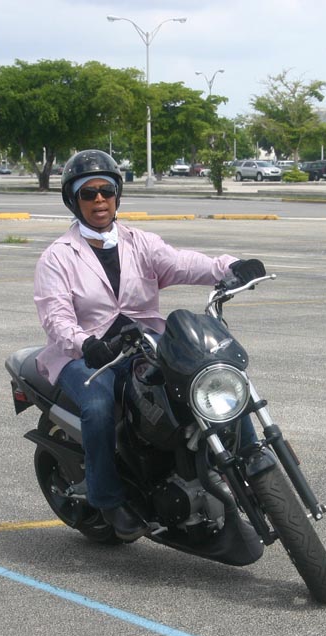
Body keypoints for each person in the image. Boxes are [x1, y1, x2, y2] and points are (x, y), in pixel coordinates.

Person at [33, 149, 263, 541]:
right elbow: (55, 317)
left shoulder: (139, 242)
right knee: (98, 407)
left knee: (210, 374)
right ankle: (108, 499)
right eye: (88, 193)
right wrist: (85, 343)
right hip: (86, 356)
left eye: (106, 191)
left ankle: (249, 456)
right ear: (74, 200)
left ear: (117, 195)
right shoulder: (57, 257)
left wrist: (230, 267)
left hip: (143, 344)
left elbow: (183, 263)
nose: (99, 200)